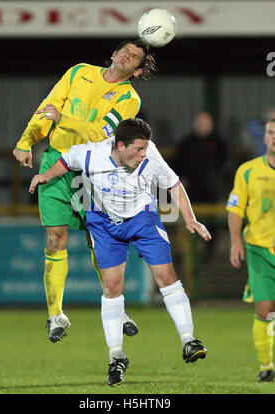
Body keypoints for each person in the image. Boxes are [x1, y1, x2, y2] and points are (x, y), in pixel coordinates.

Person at [29, 118, 210, 387]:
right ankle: (116, 357)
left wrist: (190, 219)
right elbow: (66, 161)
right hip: (104, 225)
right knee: (112, 287)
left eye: (146, 148)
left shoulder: (151, 157)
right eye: (138, 149)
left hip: (142, 219)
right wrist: (45, 175)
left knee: (167, 277)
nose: (143, 154)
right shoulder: (91, 154)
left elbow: (173, 185)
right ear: (120, 145)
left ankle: (188, 341)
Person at [12, 39, 156, 343]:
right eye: (124, 51)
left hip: (94, 169)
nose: (126, 56)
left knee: (98, 240)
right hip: (56, 161)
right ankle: (56, 315)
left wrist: (63, 119)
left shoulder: (129, 99)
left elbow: (102, 134)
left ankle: (117, 306)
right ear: (114, 54)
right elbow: (46, 110)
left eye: (134, 57)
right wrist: (26, 141)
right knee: (55, 238)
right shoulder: (78, 72)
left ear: (137, 70)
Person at [226, 118, 275, 382]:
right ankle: (266, 367)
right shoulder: (247, 170)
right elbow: (235, 208)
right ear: (264, 137)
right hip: (259, 249)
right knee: (265, 310)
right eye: (270, 133)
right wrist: (235, 242)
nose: (274, 137)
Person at [170, 111, 228, 203]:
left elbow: (223, 163)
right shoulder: (187, 143)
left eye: (205, 124)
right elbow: (178, 162)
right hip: (190, 186)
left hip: (211, 187)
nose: (203, 127)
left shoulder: (218, 143)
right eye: (200, 124)